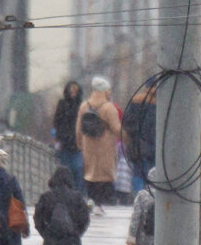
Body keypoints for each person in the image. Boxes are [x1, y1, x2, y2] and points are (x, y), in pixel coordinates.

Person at [75, 76, 123, 215]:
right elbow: (116, 128)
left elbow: (79, 127)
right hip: (105, 146)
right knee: (104, 174)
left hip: (88, 145)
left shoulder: (84, 106)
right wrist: (127, 135)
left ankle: (91, 198)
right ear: (104, 91)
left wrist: (80, 142)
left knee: (90, 173)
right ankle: (99, 203)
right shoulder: (109, 107)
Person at [33, 167, 91, 245]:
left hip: (51, 240)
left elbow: (37, 218)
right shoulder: (77, 197)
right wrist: (76, 233)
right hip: (72, 242)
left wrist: (46, 233)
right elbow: (85, 219)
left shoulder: (46, 197)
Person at [122, 77, 157, 194]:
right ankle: (151, 197)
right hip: (155, 143)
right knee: (154, 173)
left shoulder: (136, 100)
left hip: (138, 143)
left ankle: (140, 196)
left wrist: (132, 136)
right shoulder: (161, 101)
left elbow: (127, 122)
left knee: (138, 172)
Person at [52, 81, 85, 196]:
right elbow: (57, 122)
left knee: (78, 169)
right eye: (71, 91)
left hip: (77, 143)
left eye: (75, 91)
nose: (73, 94)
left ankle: (78, 194)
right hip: (65, 143)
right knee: (66, 170)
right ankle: (67, 193)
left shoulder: (81, 105)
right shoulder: (62, 104)